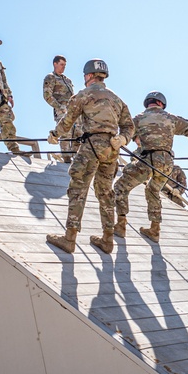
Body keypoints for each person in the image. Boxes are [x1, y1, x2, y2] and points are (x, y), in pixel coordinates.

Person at [46, 59, 135, 255]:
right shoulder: (117, 100)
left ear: (88, 76)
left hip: (91, 147)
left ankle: (69, 239)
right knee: (105, 193)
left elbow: (67, 121)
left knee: (78, 188)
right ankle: (107, 239)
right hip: (112, 149)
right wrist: (122, 139)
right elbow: (130, 127)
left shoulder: (83, 95)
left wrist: (55, 135)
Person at [113, 92, 188, 242]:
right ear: (162, 104)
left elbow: (124, 135)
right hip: (167, 164)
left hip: (147, 160)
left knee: (120, 187)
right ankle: (154, 229)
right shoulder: (171, 118)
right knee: (153, 190)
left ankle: (121, 224)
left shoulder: (139, 119)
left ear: (147, 104)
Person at [42, 55, 80, 162]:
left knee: (78, 132)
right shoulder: (50, 77)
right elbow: (47, 96)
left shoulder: (67, 80)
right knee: (65, 132)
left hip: (73, 110)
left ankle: (75, 156)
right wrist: (60, 107)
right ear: (55, 64)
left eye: (65, 65)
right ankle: (66, 157)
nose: (63, 67)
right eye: (61, 64)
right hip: (61, 110)